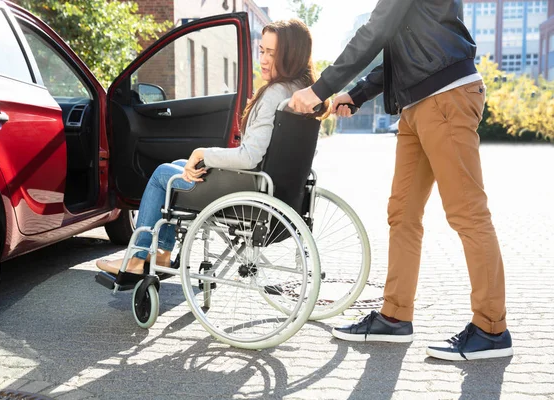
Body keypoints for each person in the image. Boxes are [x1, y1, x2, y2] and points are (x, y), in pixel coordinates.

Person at [289, 0, 512, 361]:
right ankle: (394, 316)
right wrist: (357, 93)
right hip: (417, 104)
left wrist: (321, 88)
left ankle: (491, 329)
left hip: (446, 95)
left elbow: (374, 31)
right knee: (403, 213)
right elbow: (400, 49)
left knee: (467, 214)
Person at [97, 19, 328, 277]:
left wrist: (203, 154)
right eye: (261, 50)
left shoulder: (275, 94)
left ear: (291, 55)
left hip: (247, 189)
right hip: (271, 188)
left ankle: (138, 258)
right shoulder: (301, 93)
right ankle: (161, 253)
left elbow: (249, 156)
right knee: (177, 166)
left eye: (271, 53)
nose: (262, 59)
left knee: (164, 174)